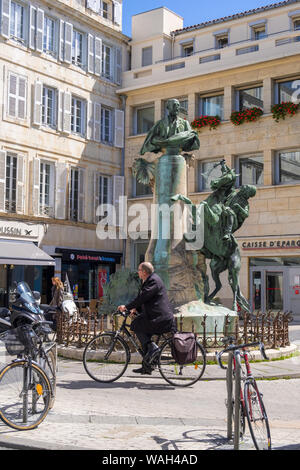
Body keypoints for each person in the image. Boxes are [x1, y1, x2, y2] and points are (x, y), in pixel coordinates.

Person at [118, 262, 176, 375]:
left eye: (139, 270)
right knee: (144, 336)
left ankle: (153, 349)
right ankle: (147, 365)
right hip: (157, 316)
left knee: (136, 325)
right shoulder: (151, 280)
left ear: (144, 272)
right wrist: (135, 309)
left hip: (160, 318)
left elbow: (143, 297)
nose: (137, 272)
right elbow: (147, 299)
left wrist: (126, 307)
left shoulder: (153, 280)